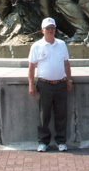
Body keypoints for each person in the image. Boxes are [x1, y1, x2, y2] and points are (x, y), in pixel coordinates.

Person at [28, 17, 73, 152]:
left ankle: (61, 141)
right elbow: (31, 67)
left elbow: (66, 63)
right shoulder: (36, 46)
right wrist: (31, 84)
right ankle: (43, 142)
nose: (51, 30)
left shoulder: (61, 44)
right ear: (42, 30)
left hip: (60, 84)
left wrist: (69, 80)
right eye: (48, 28)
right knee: (44, 114)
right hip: (44, 84)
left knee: (61, 114)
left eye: (53, 28)